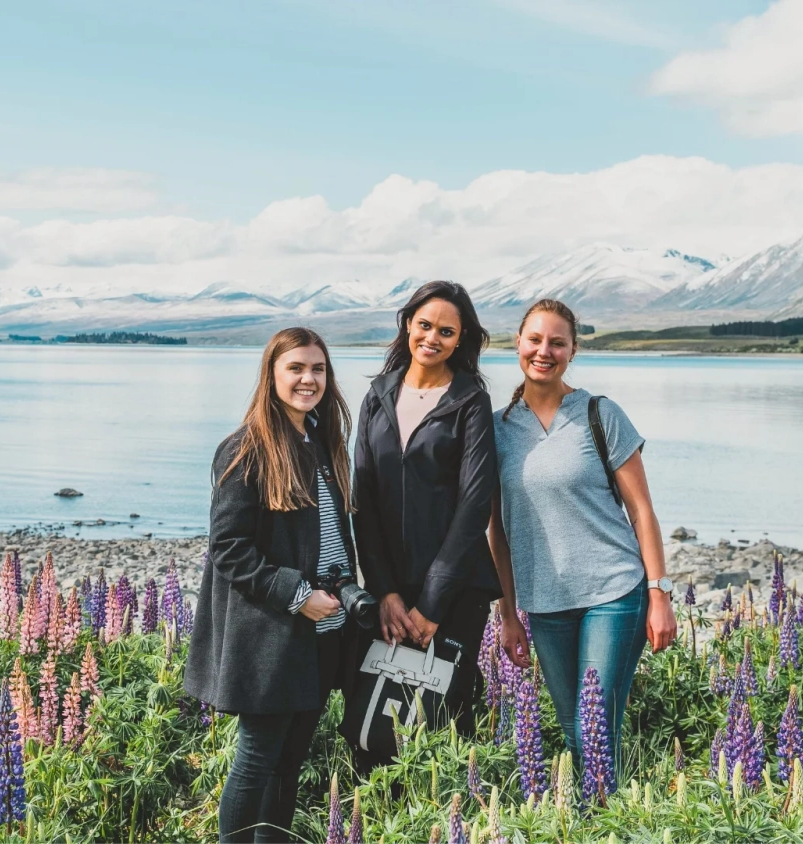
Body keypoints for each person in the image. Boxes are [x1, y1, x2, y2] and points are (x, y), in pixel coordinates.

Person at [487, 298, 676, 773]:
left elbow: (642, 511)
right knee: (575, 732)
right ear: (518, 343)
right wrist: (508, 614)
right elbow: (498, 532)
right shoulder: (496, 429)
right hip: (545, 604)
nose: (544, 351)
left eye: (557, 342)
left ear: (573, 350)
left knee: (596, 733)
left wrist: (660, 595)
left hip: (613, 592)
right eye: (535, 340)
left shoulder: (600, 413)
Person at [184, 327, 357, 844]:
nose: (309, 379)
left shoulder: (321, 443)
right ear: (272, 375)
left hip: (324, 628)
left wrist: (343, 586)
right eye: (296, 368)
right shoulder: (245, 449)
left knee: (290, 763)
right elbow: (230, 549)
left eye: (318, 369)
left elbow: (329, 535)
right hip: (273, 632)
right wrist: (299, 596)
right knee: (258, 760)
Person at [350, 280, 498, 768]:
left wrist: (432, 601)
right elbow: (363, 500)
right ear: (408, 324)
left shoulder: (471, 400)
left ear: (461, 339)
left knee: (444, 720)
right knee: (376, 714)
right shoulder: (377, 395)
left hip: (455, 591)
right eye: (425, 325)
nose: (433, 338)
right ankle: (366, 820)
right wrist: (386, 591)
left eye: (447, 331)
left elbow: (476, 503)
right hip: (389, 589)